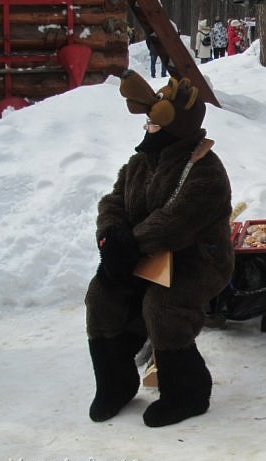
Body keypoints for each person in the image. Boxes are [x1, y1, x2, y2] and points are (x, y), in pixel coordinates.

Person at [84, 69, 235, 427]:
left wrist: (129, 246)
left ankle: (188, 393)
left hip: (197, 260)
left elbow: (176, 222)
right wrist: (110, 235)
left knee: (162, 306)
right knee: (101, 296)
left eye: (152, 125)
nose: (146, 130)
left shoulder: (206, 171)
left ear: (173, 128)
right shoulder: (141, 162)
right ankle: (115, 384)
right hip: (145, 254)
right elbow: (114, 201)